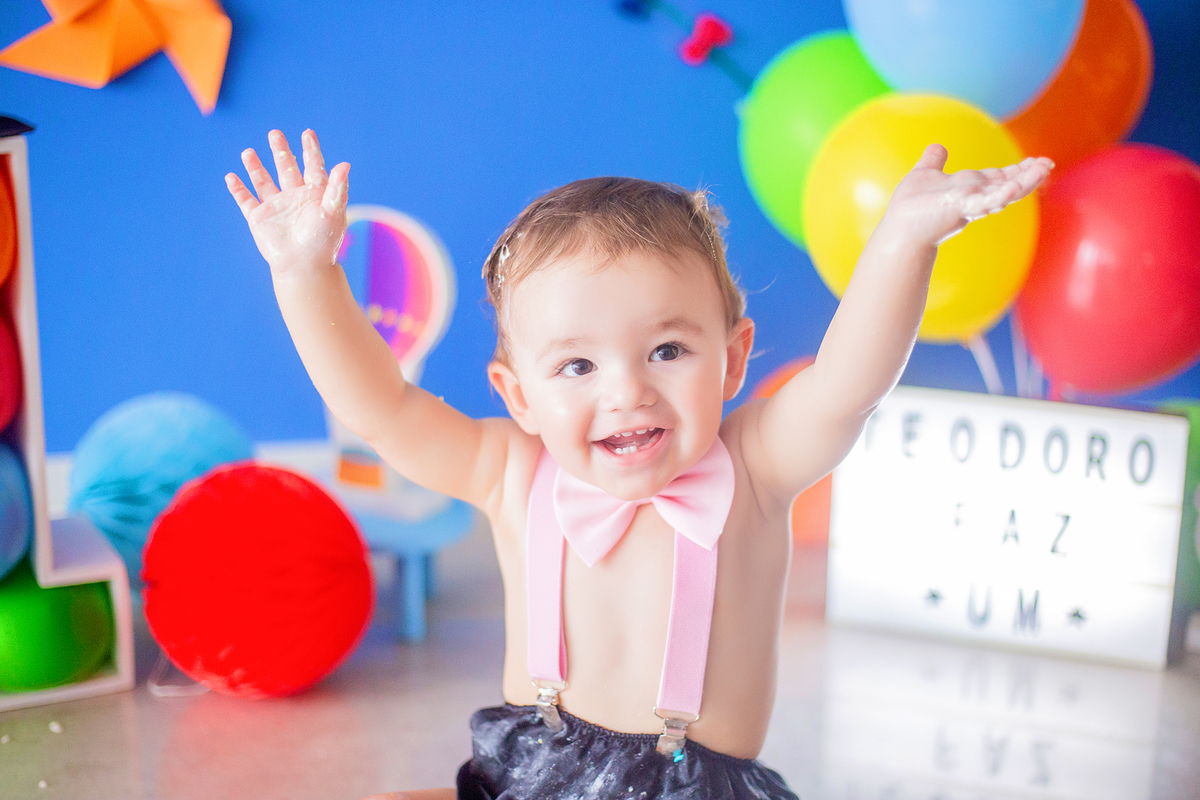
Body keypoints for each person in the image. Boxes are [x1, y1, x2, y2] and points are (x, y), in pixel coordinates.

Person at [226, 130, 1051, 799]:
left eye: (666, 350)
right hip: (530, 778)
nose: (628, 393)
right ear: (517, 395)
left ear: (732, 362)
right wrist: (306, 277)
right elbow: (386, 408)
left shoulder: (756, 468)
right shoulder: (509, 472)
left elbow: (844, 387)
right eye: (577, 366)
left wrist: (902, 244)